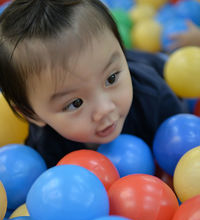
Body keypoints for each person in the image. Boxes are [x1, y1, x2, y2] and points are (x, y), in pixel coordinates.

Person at [0, 0, 188, 168]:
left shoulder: (153, 96)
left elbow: (186, 142)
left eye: (112, 79)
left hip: (151, 63)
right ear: (31, 113)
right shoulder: (46, 148)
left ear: (121, 51)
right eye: (75, 103)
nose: (104, 109)